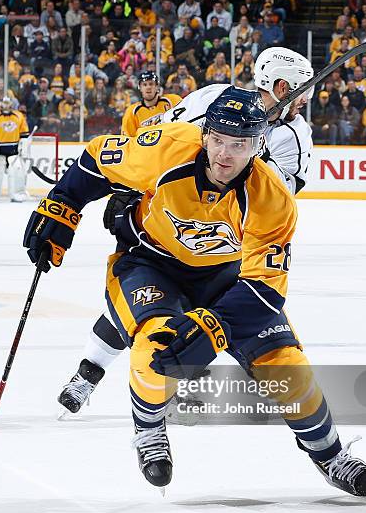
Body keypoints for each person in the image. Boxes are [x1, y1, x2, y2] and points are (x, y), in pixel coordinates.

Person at [23, 88, 366, 501]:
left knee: (287, 367)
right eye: (217, 140)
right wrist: (62, 204)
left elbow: (266, 289)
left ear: (259, 145)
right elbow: (97, 159)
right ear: (205, 134)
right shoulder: (167, 148)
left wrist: (212, 326)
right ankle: (149, 429)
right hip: (151, 263)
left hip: (229, 280)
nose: (224, 155)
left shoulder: (273, 199)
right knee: (155, 345)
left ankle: (330, 455)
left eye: (239, 144)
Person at [58, 46, 315, 416]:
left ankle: (170, 382)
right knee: (140, 305)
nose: (304, 99)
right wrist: (125, 190)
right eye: (299, 90)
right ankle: (88, 373)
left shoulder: (295, 136)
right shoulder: (213, 99)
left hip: (224, 241)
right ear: (278, 85)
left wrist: (254, 160)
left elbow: (282, 195)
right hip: (167, 220)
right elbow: (153, 142)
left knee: (196, 317)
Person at [0, 96, 30, 202]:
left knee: (17, 172)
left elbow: (25, 135)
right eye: (4, 103)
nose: (6, 105)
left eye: (8, 103)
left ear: (11, 104)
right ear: (1, 104)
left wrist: (23, 147)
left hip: (14, 151)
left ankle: (17, 194)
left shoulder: (19, 116)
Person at [121, 71, 181, 136]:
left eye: (151, 84)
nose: (148, 87)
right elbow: (127, 138)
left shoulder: (173, 100)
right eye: (144, 84)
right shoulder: (132, 112)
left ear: (157, 87)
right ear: (140, 88)